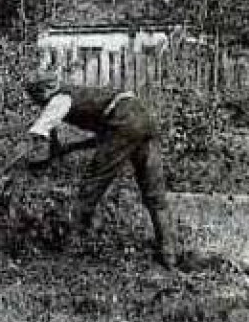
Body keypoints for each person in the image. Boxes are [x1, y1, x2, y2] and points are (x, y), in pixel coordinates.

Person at [21, 70, 179, 268]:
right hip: (141, 116)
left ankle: (70, 252)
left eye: (35, 98)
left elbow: (38, 133)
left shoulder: (59, 99)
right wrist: (69, 148)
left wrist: (23, 159)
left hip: (123, 122)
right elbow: (108, 136)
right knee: (155, 196)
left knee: (89, 189)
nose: (36, 104)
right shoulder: (83, 96)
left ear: (44, 91)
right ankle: (169, 255)